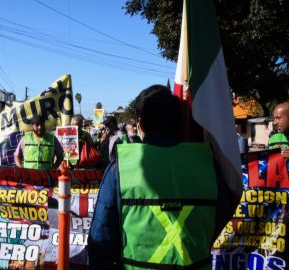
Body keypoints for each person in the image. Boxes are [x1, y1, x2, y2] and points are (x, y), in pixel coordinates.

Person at [88, 85, 239, 269]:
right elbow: (221, 215)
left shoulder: (120, 169)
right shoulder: (208, 164)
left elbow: (101, 239)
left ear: (140, 124)